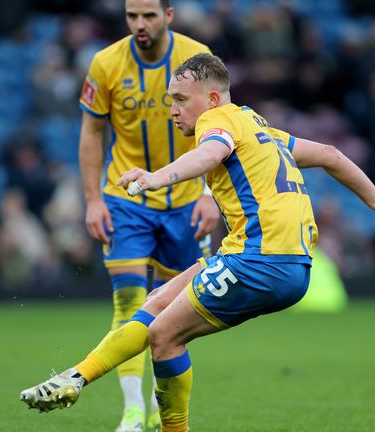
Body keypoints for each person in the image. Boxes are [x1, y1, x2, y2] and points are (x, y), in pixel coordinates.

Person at [21, 53, 375, 431]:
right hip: (275, 259)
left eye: (180, 99)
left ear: (212, 98)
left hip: (261, 260)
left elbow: (211, 153)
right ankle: (75, 377)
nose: (173, 109)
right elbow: (329, 152)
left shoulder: (216, 123)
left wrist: (158, 177)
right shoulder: (255, 124)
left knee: (164, 336)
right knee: (156, 303)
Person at [76, 1, 219, 431]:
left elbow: (221, 128)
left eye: (149, 15)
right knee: (129, 301)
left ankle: (161, 407)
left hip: (187, 198)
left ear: (169, 15)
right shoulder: (105, 63)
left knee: (176, 310)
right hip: (126, 196)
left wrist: (211, 194)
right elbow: (91, 131)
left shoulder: (197, 60)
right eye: (132, 16)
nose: (140, 24)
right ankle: (132, 411)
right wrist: (92, 201)